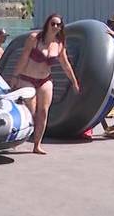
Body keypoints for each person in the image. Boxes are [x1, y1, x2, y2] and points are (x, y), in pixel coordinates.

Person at [12, 13, 80, 155]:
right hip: (27, 78)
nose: (55, 26)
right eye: (53, 24)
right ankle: (19, 137)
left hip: (45, 80)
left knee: (43, 112)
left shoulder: (59, 44)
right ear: (47, 24)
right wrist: (15, 77)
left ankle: (37, 145)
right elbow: (23, 58)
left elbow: (65, 65)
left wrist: (74, 82)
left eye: (58, 25)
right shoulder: (34, 39)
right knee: (31, 111)